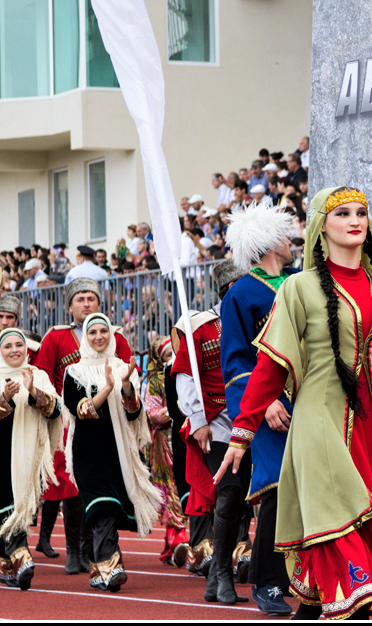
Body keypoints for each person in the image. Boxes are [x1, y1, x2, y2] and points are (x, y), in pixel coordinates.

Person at [214, 186, 372, 619]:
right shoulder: (299, 287)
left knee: (357, 533)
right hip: (317, 422)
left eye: (362, 212)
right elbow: (269, 369)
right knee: (344, 530)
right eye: (343, 213)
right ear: (321, 227)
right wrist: (242, 434)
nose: (355, 220)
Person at [218, 202, 299, 615]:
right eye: (285, 237)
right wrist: (264, 400)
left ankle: (304, 577)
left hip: (307, 399)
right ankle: (265, 581)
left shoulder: (301, 282)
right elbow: (235, 361)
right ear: (269, 243)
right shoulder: (241, 293)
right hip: (269, 407)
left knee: (311, 486)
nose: (292, 242)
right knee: (275, 486)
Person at [34, 278, 134, 575]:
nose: (86, 303)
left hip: (111, 422)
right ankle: (76, 549)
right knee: (71, 486)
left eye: (91, 298)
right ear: (70, 306)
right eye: (80, 299)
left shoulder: (114, 336)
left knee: (105, 486)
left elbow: (130, 375)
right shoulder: (56, 337)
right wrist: (59, 405)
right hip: (68, 417)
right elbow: (43, 376)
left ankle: (96, 549)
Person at [62, 313, 163, 592]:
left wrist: (127, 384)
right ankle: (111, 564)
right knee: (102, 506)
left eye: (103, 331)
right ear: (85, 336)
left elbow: (134, 413)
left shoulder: (123, 367)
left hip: (118, 452)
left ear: (111, 335)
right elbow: (83, 411)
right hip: (87, 452)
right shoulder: (74, 372)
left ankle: (97, 566)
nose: (98, 337)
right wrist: (107, 387)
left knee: (110, 508)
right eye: (92, 332)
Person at [173, 259, 251, 601]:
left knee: (249, 498)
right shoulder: (201, 327)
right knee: (229, 493)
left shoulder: (259, 319)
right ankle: (221, 574)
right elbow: (185, 376)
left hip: (256, 417)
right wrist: (199, 420)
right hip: (217, 421)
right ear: (229, 290)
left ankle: (229, 573)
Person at [0, 329, 66, 591]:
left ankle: (4, 561)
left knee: (22, 507)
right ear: (0, 351)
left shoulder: (39, 376)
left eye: (19, 345)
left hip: (31, 457)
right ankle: (20, 557)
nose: (14, 350)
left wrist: (34, 392)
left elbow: (56, 411)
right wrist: (4, 398)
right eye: (8, 346)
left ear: (26, 349)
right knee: (6, 508)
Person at [142, 336, 190, 568]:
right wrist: (179, 408)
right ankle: (178, 539)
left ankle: (173, 547)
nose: (173, 359)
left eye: (176, 353)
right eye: (168, 355)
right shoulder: (156, 382)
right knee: (172, 489)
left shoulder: (189, 376)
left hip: (189, 438)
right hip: (165, 443)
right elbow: (152, 414)